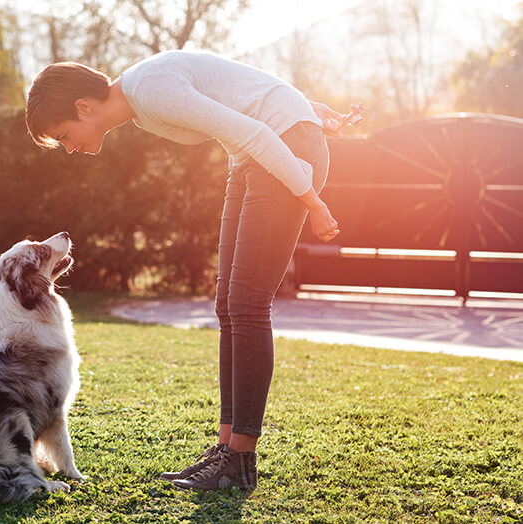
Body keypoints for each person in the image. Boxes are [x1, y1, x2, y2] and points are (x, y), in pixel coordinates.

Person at [26, 50, 343, 491]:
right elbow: (233, 84)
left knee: (248, 304)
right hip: (256, 154)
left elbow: (252, 127)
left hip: (281, 151)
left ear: (83, 107)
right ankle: (226, 450)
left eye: (64, 135)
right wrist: (304, 106)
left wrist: (312, 200)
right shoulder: (142, 102)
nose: (70, 148)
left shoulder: (149, 90)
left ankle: (240, 462)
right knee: (229, 304)